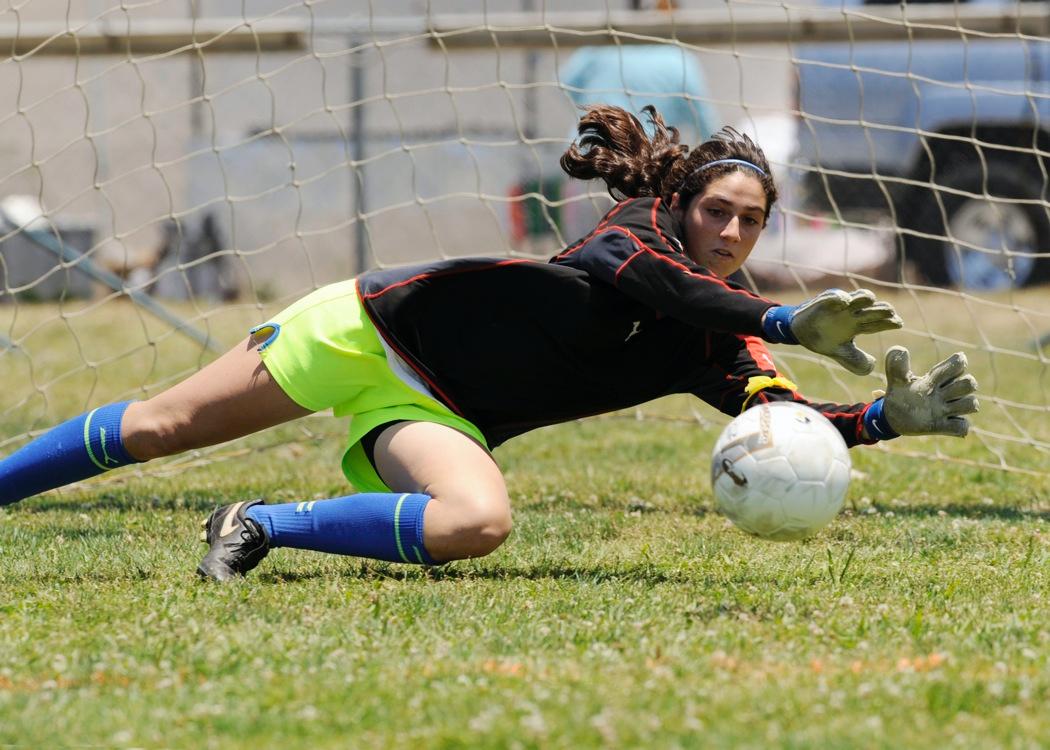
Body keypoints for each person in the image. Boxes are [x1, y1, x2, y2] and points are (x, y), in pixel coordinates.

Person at [0, 106, 978, 582]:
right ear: (679, 202)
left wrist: (888, 419)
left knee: (476, 523)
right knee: (161, 428)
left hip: (430, 409)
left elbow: (785, 424)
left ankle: (258, 524)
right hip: (365, 328)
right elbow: (653, 283)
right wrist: (780, 320)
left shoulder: (714, 338)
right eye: (715, 210)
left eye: (750, 222)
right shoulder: (632, 235)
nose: (729, 233)